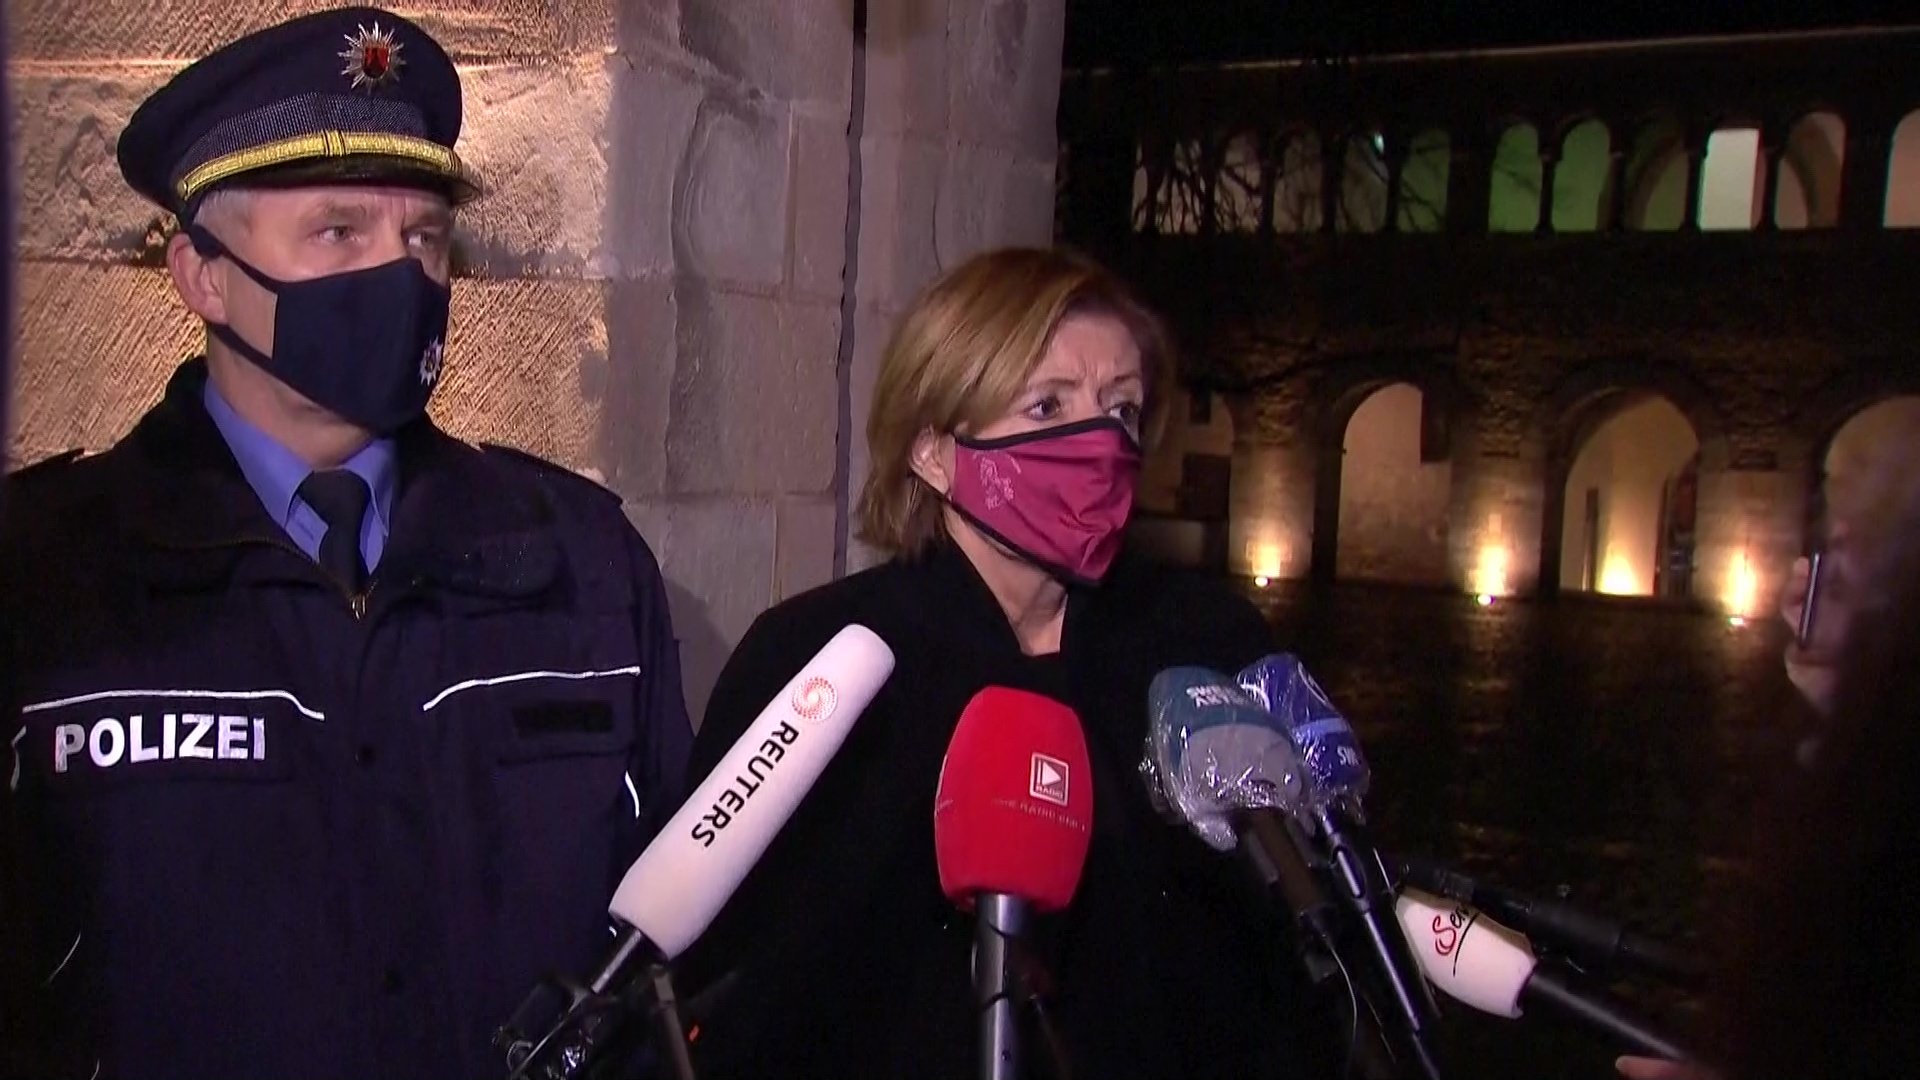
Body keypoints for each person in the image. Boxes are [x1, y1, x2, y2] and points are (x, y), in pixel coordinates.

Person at [0, 10, 691, 1079]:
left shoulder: (581, 566)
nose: (400, 275)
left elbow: (662, 969)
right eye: (338, 232)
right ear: (204, 275)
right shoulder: (45, 575)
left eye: (424, 238)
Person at [672, 247, 1339, 1079]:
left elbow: (1296, 957)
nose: (1100, 442)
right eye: (1048, 404)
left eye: (1122, 409)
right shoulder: (821, 659)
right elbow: (736, 985)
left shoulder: (1206, 639)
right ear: (934, 451)